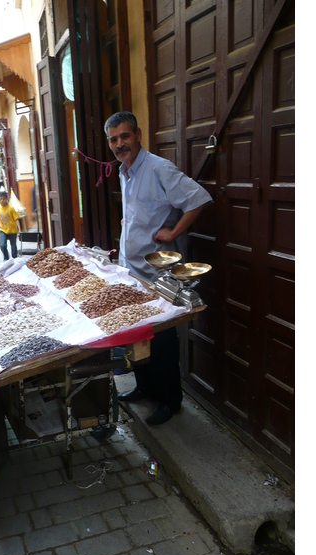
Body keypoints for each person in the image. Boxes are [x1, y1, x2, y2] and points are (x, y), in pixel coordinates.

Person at [104, 111, 212, 426]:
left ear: (138, 134)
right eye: (114, 139)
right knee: (137, 334)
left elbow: (198, 199)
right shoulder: (124, 171)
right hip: (131, 270)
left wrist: (173, 232)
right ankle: (145, 388)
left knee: (161, 340)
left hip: (156, 273)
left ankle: (170, 400)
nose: (120, 144)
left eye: (124, 136)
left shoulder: (158, 169)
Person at [0, 190, 21, 260]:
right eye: (0, 199)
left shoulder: (11, 208)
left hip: (12, 230)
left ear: (7, 199)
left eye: (3, 199)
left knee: (13, 246)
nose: (2, 200)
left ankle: (15, 259)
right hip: (3, 229)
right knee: (2, 245)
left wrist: (19, 229)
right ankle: (6, 258)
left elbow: (16, 219)